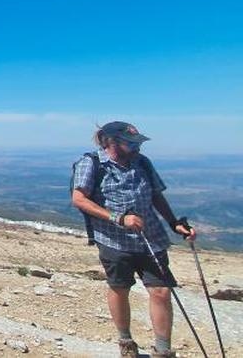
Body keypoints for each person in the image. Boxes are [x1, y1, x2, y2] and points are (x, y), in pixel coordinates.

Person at [71, 121, 196, 358]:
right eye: (131, 143)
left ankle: (163, 350)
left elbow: (155, 195)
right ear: (111, 142)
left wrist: (174, 223)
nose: (137, 147)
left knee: (161, 291)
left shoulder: (142, 163)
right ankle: (126, 342)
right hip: (114, 241)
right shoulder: (92, 163)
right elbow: (79, 199)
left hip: (151, 238)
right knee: (120, 288)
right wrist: (118, 218)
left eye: (137, 142)